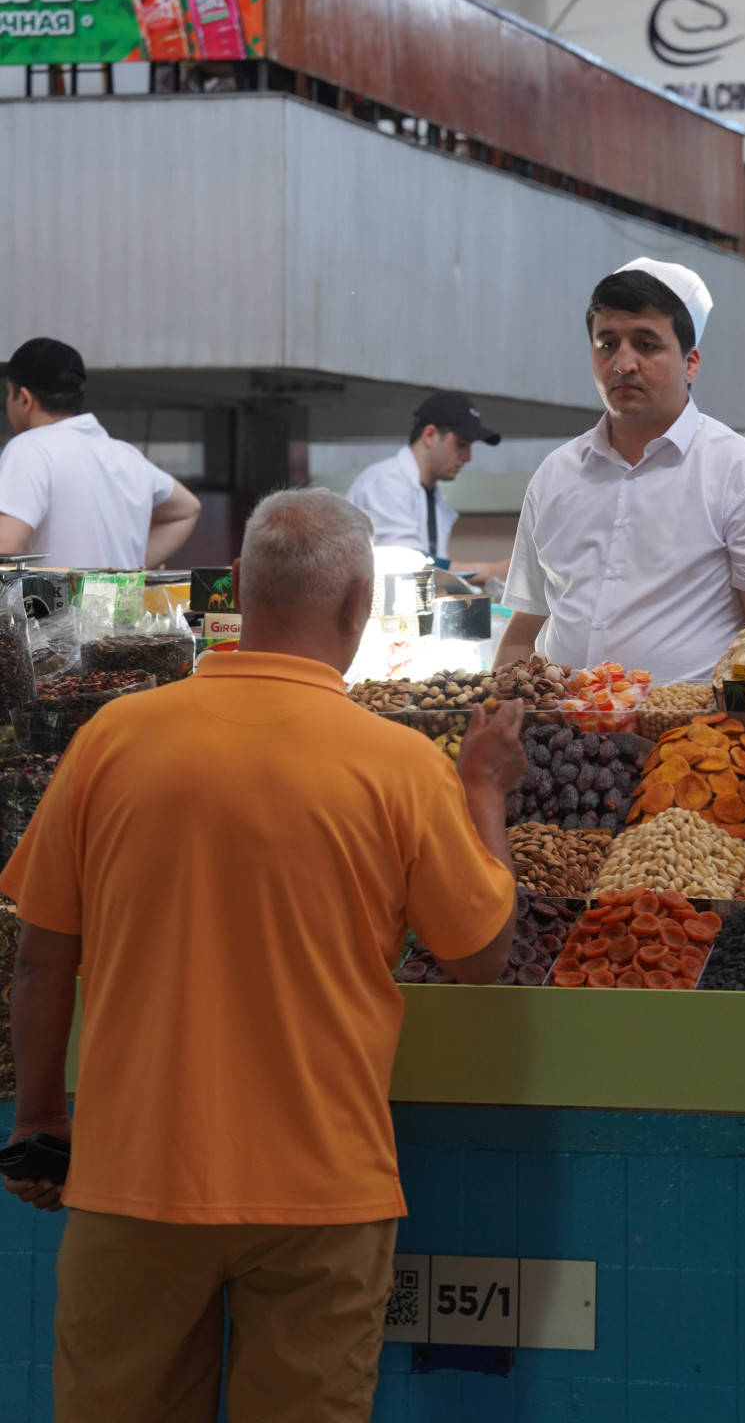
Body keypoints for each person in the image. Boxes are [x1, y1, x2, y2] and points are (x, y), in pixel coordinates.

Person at [0, 487, 525, 1423]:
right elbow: (483, 956)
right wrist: (484, 789)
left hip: (133, 1182)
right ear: (360, 602)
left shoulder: (113, 740)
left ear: (239, 585)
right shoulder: (401, 764)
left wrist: (41, 1118)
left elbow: (42, 956)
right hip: (321, 1192)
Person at [496, 259, 745, 684]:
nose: (623, 363)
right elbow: (524, 632)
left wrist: (723, 740)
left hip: (688, 741)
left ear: (691, 361)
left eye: (646, 344)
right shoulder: (555, 475)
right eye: (607, 344)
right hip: (557, 740)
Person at [0, 337, 201, 569]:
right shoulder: (126, 456)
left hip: (57, 606)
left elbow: (5, 545)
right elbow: (187, 508)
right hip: (124, 604)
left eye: (8, 392)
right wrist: (125, 570)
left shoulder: (29, 448)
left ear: (24, 400)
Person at [346, 390, 508, 584]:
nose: (468, 457)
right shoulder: (384, 482)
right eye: (461, 444)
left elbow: (432, 574)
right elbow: (409, 563)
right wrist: (491, 571)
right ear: (430, 435)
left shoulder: (430, 495)